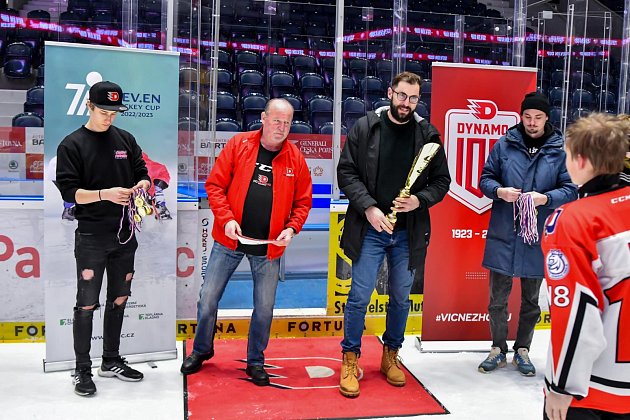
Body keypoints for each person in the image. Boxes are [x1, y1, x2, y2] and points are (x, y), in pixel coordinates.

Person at [180, 98, 312, 386]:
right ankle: (201, 350)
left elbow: (303, 203)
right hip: (229, 241)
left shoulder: (296, 159)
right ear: (263, 119)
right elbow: (214, 186)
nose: (281, 127)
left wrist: (292, 228)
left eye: (287, 122)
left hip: (269, 247)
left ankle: (255, 360)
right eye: (276, 120)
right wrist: (226, 219)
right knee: (207, 299)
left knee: (264, 308)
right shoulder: (239, 145)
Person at [336, 71, 451, 398]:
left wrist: (419, 200)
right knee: (359, 296)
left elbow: (442, 182)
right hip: (370, 228)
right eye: (401, 95)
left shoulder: (428, 134)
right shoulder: (365, 127)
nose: (406, 103)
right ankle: (350, 357)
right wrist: (370, 208)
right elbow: (346, 172)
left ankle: (391, 355)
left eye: (413, 98)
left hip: (407, 232)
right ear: (390, 92)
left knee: (401, 297)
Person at [55, 81, 151, 396]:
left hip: (124, 235)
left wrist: (142, 185)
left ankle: (110, 360)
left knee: (120, 298)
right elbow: (70, 194)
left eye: (114, 112)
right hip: (92, 237)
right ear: (89, 107)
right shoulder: (72, 144)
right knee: (86, 304)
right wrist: (105, 194)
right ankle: (82, 369)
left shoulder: (125, 139)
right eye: (103, 111)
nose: (109, 118)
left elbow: (142, 171)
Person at [478, 92, 578, 376]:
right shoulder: (504, 144)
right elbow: (485, 178)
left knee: (531, 300)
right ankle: (497, 349)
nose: (532, 123)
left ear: (547, 118)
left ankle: (523, 350)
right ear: (520, 117)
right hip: (504, 232)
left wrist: (544, 198)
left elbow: (571, 189)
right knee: (497, 298)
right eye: (527, 117)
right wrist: (499, 191)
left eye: (538, 117)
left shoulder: (560, 150)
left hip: (537, 235)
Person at [542, 113, 630, 420]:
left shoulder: (572, 219)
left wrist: (562, 386)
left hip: (596, 388)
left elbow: (577, 309)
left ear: (579, 160)